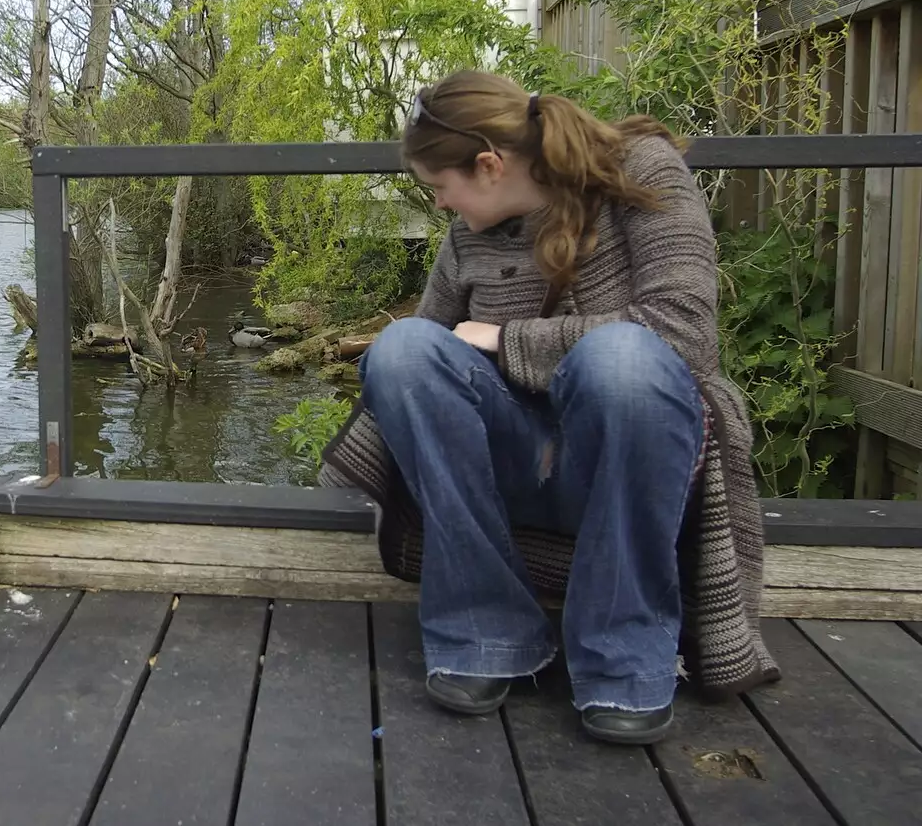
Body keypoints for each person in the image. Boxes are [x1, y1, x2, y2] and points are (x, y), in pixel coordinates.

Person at [317, 70, 778, 745]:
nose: (440, 205)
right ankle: (485, 633)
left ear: (489, 164)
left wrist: (508, 340)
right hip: (517, 467)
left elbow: (685, 336)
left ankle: (623, 661)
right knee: (400, 348)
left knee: (622, 358)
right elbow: (425, 363)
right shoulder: (468, 237)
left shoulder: (641, 172)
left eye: (439, 187)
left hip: (625, 458)